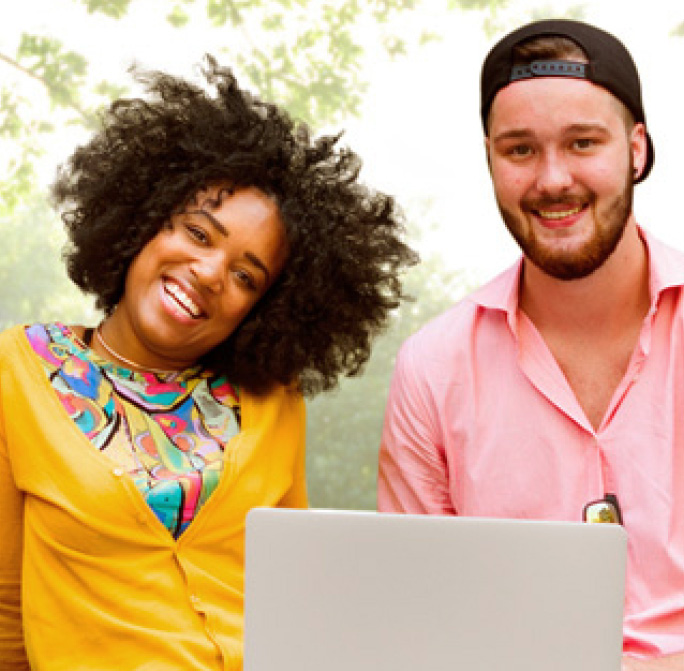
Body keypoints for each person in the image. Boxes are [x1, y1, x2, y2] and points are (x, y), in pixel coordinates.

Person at [0, 56, 417, 671]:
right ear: (143, 220)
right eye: (198, 234)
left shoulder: (274, 402)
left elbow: (294, 601)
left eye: (246, 276)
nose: (209, 273)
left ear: (264, 306)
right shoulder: (21, 370)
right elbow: (7, 607)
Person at [377, 18, 684, 670]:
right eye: (520, 150)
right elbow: (414, 616)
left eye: (582, 143)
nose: (552, 180)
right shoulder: (433, 369)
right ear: (489, 156)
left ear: (636, 148)